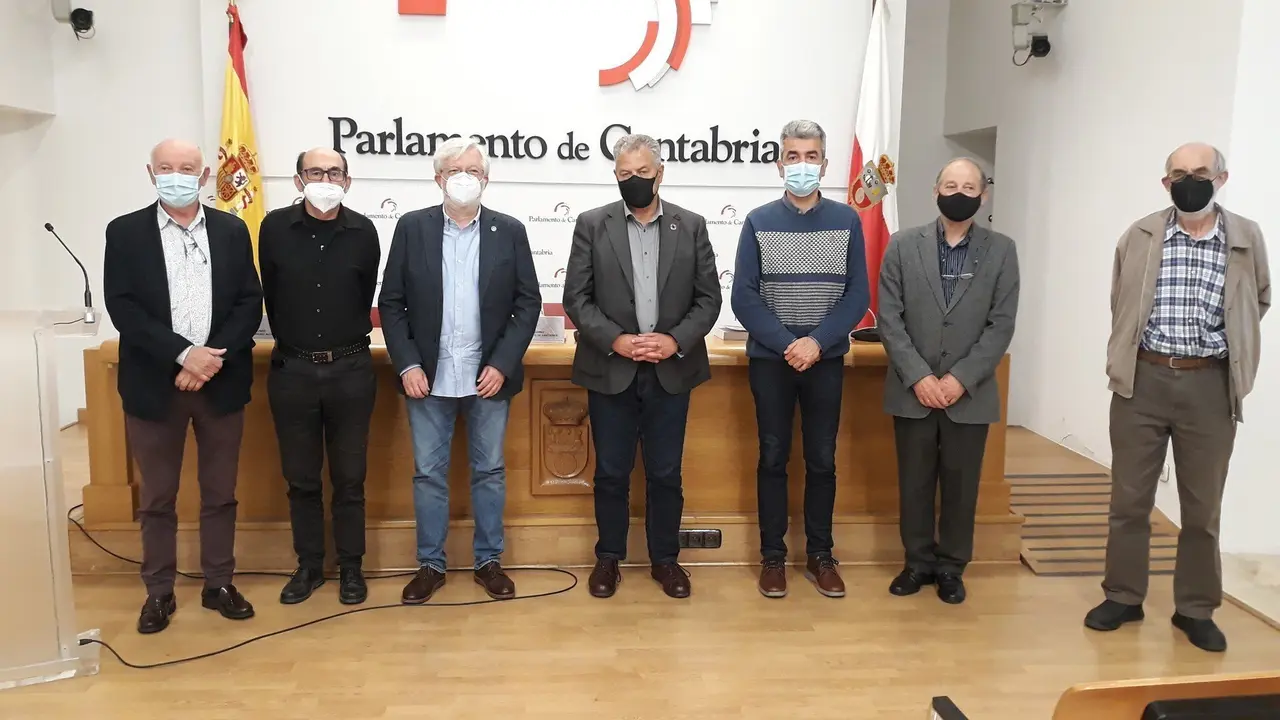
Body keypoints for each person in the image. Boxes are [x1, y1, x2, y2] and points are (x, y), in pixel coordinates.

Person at [1086, 143, 1270, 652]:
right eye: (1179, 174)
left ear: (1222, 178)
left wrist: (1233, 353)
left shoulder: (1246, 237)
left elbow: (1258, 299)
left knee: (1202, 507)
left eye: (1201, 172)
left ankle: (1195, 608)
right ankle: (1123, 596)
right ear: (1165, 183)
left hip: (1210, 386)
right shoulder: (1140, 234)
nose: (1191, 180)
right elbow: (1119, 298)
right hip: (1141, 382)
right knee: (1128, 500)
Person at [103, 139, 263, 634]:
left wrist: (207, 360)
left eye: (187, 168)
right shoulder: (126, 232)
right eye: (167, 168)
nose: (177, 175)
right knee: (157, 496)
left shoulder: (233, 230)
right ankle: (159, 592)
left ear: (206, 173)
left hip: (218, 381)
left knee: (220, 493)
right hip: (154, 385)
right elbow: (123, 306)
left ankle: (219, 583)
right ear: (151, 173)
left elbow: (248, 303)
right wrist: (182, 353)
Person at [378, 137, 540, 604]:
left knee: (489, 470)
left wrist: (502, 364)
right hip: (426, 377)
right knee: (428, 473)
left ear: (486, 180)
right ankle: (431, 564)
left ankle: (489, 560)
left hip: (487, 376)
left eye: (474, 170)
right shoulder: (412, 228)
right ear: (438, 178)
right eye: (455, 169)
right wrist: (407, 362)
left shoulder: (509, 231)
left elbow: (526, 303)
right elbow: (393, 303)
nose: (464, 177)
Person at [563, 133, 722, 600]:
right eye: (624, 174)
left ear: (660, 173)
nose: (634, 181)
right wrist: (618, 340)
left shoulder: (690, 226)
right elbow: (577, 296)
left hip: (672, 371)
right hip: (610, 367)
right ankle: (608, 558)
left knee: (665, 472)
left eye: (642, 173)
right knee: (611, 471)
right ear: (615, 176)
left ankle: (666, 561)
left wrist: (673, 341)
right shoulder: (592, 224)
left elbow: (709, 298)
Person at [730, 120, 869, 599]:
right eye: (793, 156)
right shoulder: (758, 220)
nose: (802, 165)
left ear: (825, 165)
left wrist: (817, 343)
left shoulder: (847, 220)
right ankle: (773, 557)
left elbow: (857, 296)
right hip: (772, 362)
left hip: (825, 361)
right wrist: (790, 343)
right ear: (779, 164)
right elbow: (744, 298)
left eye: (811, 157)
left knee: (822, 459)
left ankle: (820, 555)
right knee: (772, 457)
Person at [877, 157, 1019, 605]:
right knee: (915, 481)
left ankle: (952, 567)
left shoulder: (1002, 250)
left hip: (968, 393)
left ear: (984, 194)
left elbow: (1001, 325)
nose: (960, 192)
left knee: (962, 484)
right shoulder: (902, 245)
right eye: (951, 184)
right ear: (935, 189)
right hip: (912, 390)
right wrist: (919, 376)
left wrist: (959, 379)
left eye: (969, 185)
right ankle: (917, 563)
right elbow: (889, 318)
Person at [259, 148, 381, 606]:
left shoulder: (364, 232)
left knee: (351, 478)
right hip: (293, 369)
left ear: (347, 181)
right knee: (301, 478)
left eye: (334, 172)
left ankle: (351, 568)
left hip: (350, 368)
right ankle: (309, 567)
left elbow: (363, 290)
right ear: (298, 180)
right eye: (315, 172)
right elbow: (267, 287)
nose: (325, 179)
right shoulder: (273, 229)